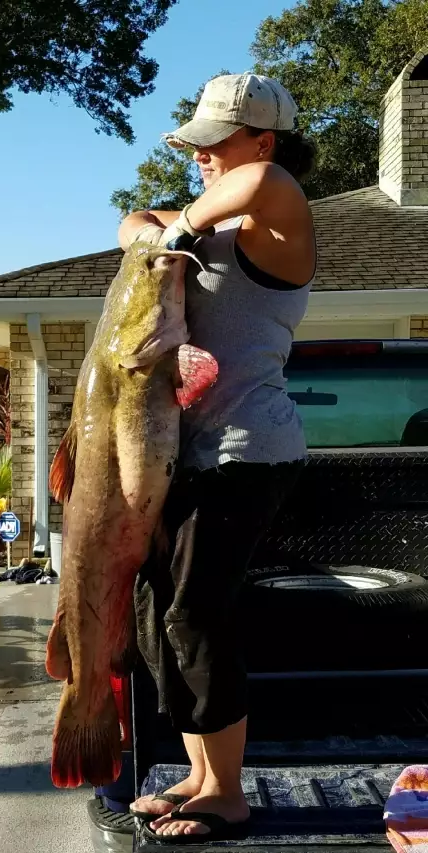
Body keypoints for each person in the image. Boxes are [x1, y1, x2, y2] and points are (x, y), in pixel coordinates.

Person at [118, 72, 317, 842]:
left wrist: (179, 231)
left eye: (213, 144)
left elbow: (264, 184)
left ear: (261, 140)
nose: (200, 157)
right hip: (189, 457)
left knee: (197, 613)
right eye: (195, 146)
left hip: (249, 452)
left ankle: (227, 791)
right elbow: (131, 219)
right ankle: (200, 776)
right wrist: (158, 233)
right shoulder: (204, 226)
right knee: (160, 614)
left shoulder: (278, 227)